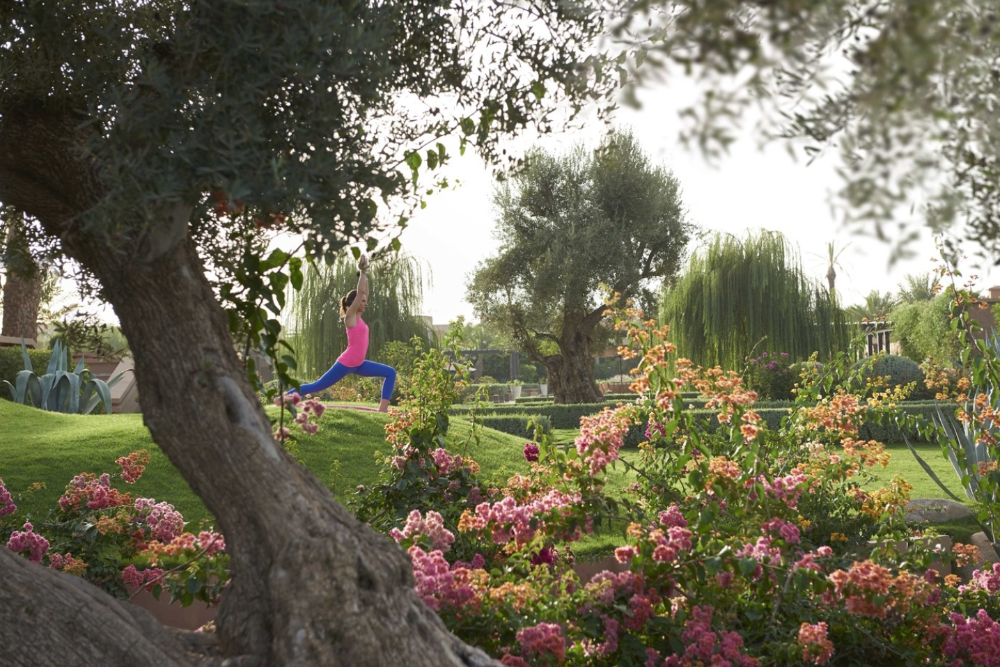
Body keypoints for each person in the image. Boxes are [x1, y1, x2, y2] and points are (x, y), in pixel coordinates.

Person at [289, 253, 397, 412]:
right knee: (317, 385)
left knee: (390, 372)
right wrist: (363, 272)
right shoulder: (350, 317)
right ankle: (285, 398)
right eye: (363, 301)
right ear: (354, 303)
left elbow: (364, 292)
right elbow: (360, 292)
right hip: (346, 363)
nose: (366, 303)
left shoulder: (359, 317)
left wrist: (365, 275)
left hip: (359, 364)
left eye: (365, 301)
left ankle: (382, 410)